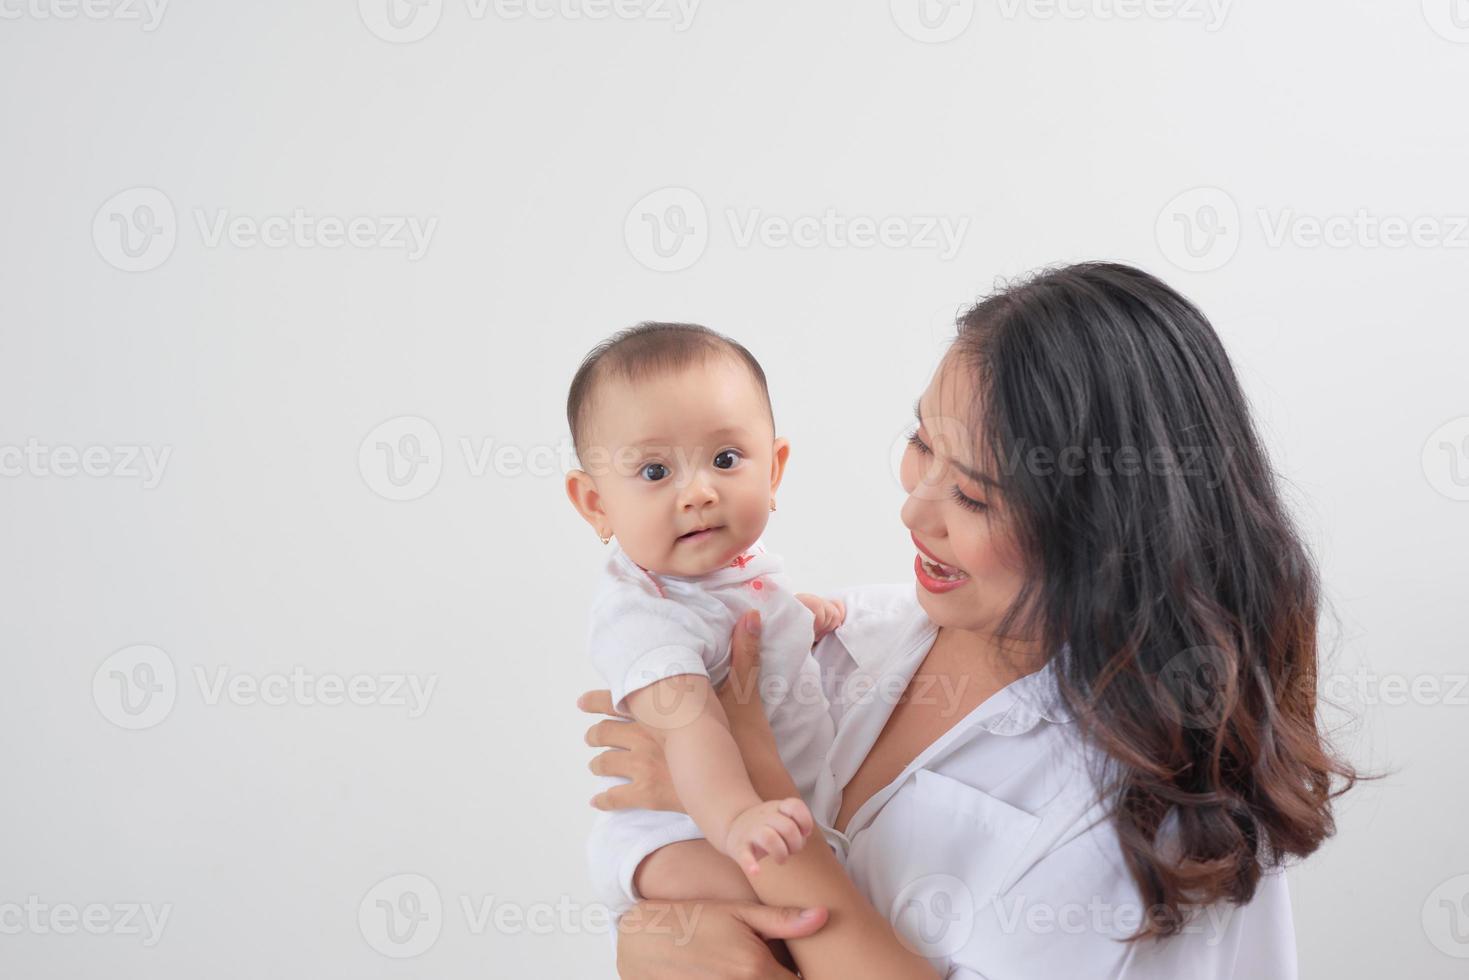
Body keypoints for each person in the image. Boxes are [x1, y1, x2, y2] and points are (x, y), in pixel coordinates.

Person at [579, 263, 1357, 978]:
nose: (914, 508)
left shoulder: (1149, 821)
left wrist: (753, 787)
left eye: (976, 496)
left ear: (1104, 527)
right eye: (921, 441)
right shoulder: (846, 639)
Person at [564, 322, 849, 913]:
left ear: (772, 471)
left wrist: (795, 620)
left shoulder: (734, 564)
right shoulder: (644, 616)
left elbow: (746, 618)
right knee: (785, 904)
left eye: (725, 459)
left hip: (765, 813)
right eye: (654, 471)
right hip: (678, 836)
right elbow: (693, 729)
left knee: (822, 894)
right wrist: (738, 818)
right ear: (596, 505)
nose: (698, 493)